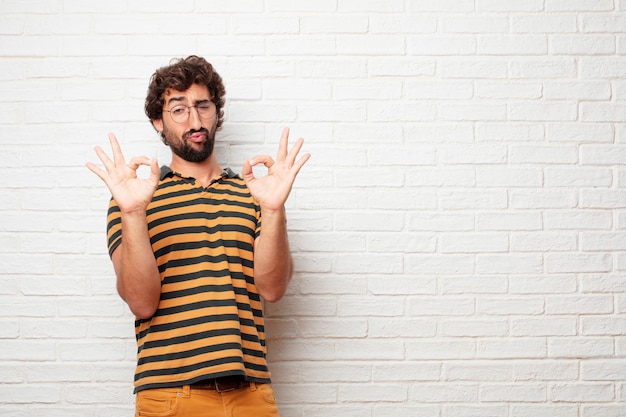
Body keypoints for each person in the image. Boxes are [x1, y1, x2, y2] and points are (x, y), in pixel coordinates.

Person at [86, 55, 310, 417]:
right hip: (169, 395)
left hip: (251, 394)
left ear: (216, 113)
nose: (194, 120)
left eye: (203, 106)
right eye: (179, 109)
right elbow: (141, 303)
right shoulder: (133, 198)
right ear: (158, 121)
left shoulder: (253, 193)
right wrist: (131, 212)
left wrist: (272, 210)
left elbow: (272, 289)